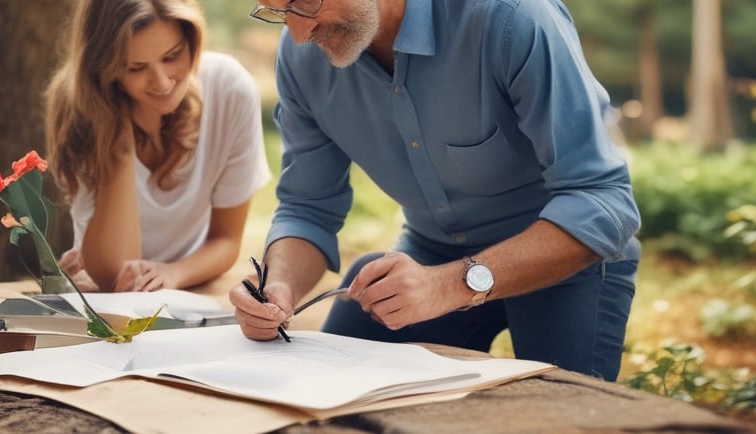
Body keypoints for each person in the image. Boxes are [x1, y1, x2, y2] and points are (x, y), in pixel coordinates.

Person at [229, 0, 642, 382]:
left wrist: (449, 285)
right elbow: (307, 207)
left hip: (561, 261)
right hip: (431, 251)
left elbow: (601, 201)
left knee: (561, 417)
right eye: (277, 9)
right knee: (329, 400)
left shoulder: (513, 17)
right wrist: (279, 284)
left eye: (306, 1)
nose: (299, 34)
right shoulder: (302, 54)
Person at [44, 0, 270, 292]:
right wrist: (119, 134)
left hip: (193, 289)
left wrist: (173, 274)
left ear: (191, 39)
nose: (162, 82)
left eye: (172, 56)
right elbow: (117, 272)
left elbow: (226, 241)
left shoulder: (229, 90)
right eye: (136, 68)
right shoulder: (80, 112)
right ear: (104, 70)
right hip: (108, 297)